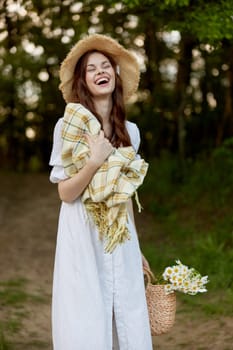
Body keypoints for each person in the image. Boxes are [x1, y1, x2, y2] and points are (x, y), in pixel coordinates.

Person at [49, 33, 153, 350]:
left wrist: (137, 249)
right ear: (83, 81)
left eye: (105, 65)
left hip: (118, 233)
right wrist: (94, 162)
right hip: (81, 230)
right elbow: (66, 193)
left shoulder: (130, 131)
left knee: (127, 314)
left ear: (114, 75)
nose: (99, 72)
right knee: (85, 316)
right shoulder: (67, 127)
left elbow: (123, 197)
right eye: (91, 69)